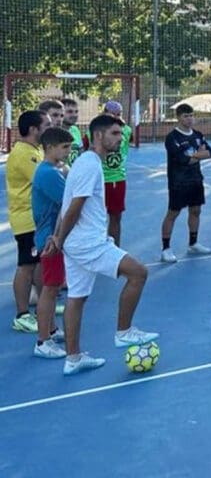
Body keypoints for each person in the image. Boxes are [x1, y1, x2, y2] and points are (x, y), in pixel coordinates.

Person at [45, 114, 158, 376]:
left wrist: (58, 237)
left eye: (120, 134)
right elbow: (75, 206)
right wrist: (59, 239)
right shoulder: (89, 164)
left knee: (77, 297)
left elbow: (66, 204)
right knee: (139, 272)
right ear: (98, 136)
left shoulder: (87, 163)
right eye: (115, 134)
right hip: (88, 242)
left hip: (76, 242)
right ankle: (124, 332)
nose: (120, 139)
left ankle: (73, 358)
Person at [31, 126, 74, 358]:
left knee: (54, 286)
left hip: (52, 236)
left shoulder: (53, 170)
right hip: (50, 238)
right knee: (49, 289)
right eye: (64, 147)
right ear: (49, 148)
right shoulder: (48, 173)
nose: (68, 152)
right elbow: (70, 199)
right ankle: (42, 341)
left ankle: (51, 328)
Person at [7, 110, 48, 333]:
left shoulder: (34, 150)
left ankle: (44, 303)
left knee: (39, 264)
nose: (49, 128)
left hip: (37, 218)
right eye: (46, 125)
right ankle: (22, 314)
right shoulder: (24, 153)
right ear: (34, 129)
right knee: (26, 265)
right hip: (26, 218)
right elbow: (43, 179)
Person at [160, 104, 211, 263]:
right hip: (178, 181)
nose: (189, 119)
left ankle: (193, 243)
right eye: (185, 116)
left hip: (196, 179)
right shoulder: (172, 138)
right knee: (173, 213)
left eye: (191, 115)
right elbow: (183, 160)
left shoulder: (198, 134)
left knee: (196, 211)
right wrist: (199, 155)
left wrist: (195, 156)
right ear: (178, 117)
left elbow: (209, 152)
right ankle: (166, 249)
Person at [100, 101, 131, 246]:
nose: (116, 117)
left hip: (117, 178)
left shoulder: (127, 130)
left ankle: (114, 249)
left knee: (115, 217)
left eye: (118, 114)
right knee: (95, 217)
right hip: (99, 179)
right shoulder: (94, 130)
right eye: (113, 114)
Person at [60, 98, 83, 166]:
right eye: (70, 112)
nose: (74, 115)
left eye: (76, 112)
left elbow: (80, 151)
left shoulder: (75, 130)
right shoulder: (53, 132)